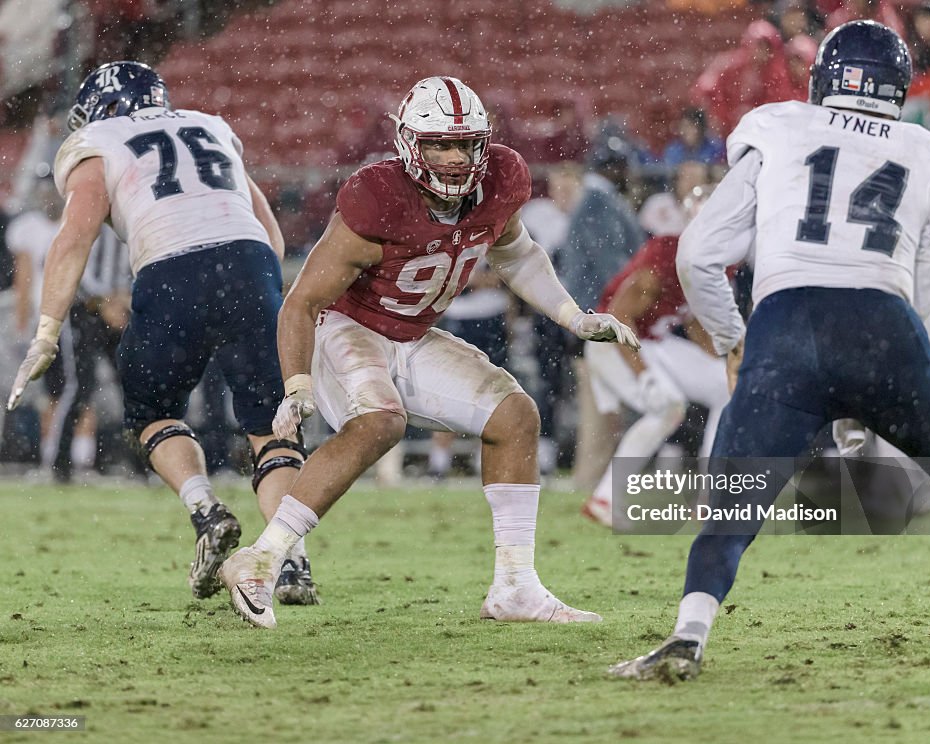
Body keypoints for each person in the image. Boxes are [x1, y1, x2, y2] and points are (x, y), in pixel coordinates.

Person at [611, 21, 930, 681]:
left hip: (787, 321)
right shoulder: (928, 151)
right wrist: (877, 387)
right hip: (884, 323)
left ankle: (688, 636)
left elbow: (698, 254)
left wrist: (734, 339)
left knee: (736, 496)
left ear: (824, 79)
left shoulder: (778, 128)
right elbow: (923, 287)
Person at [218, 76, 639, 629]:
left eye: (466, 143)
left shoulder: (501, 179)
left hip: (410, 333)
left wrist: (573, 317)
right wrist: (296, 384)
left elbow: (516, 254)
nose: (456, 158)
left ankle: (516, 588)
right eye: (441, 143)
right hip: (347, 326)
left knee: (515, 417)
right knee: (381, 421)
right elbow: (301, 301)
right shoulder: (376, 198)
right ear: (410, 143)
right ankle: (263, 558)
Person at [5, 61, 317, 605]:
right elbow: (270, 231)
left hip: (172, 268)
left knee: (153, 413)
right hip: (249, 263)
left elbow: (73, 237)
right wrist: (266, 300)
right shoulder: (209, 125)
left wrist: (47, 331)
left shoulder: (99, 139)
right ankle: (290, 561)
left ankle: (206, 509)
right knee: (270, 428)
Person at [581, 228, 730, 527]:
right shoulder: (668, 259)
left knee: (727, 387)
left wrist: (730, 359)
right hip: (612, 339)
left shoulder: (713, 264)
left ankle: (710, 499)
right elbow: (619, 316)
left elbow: (693, 324)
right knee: (667, 408)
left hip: (654, 341)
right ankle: (604, 498)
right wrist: (645, 376)